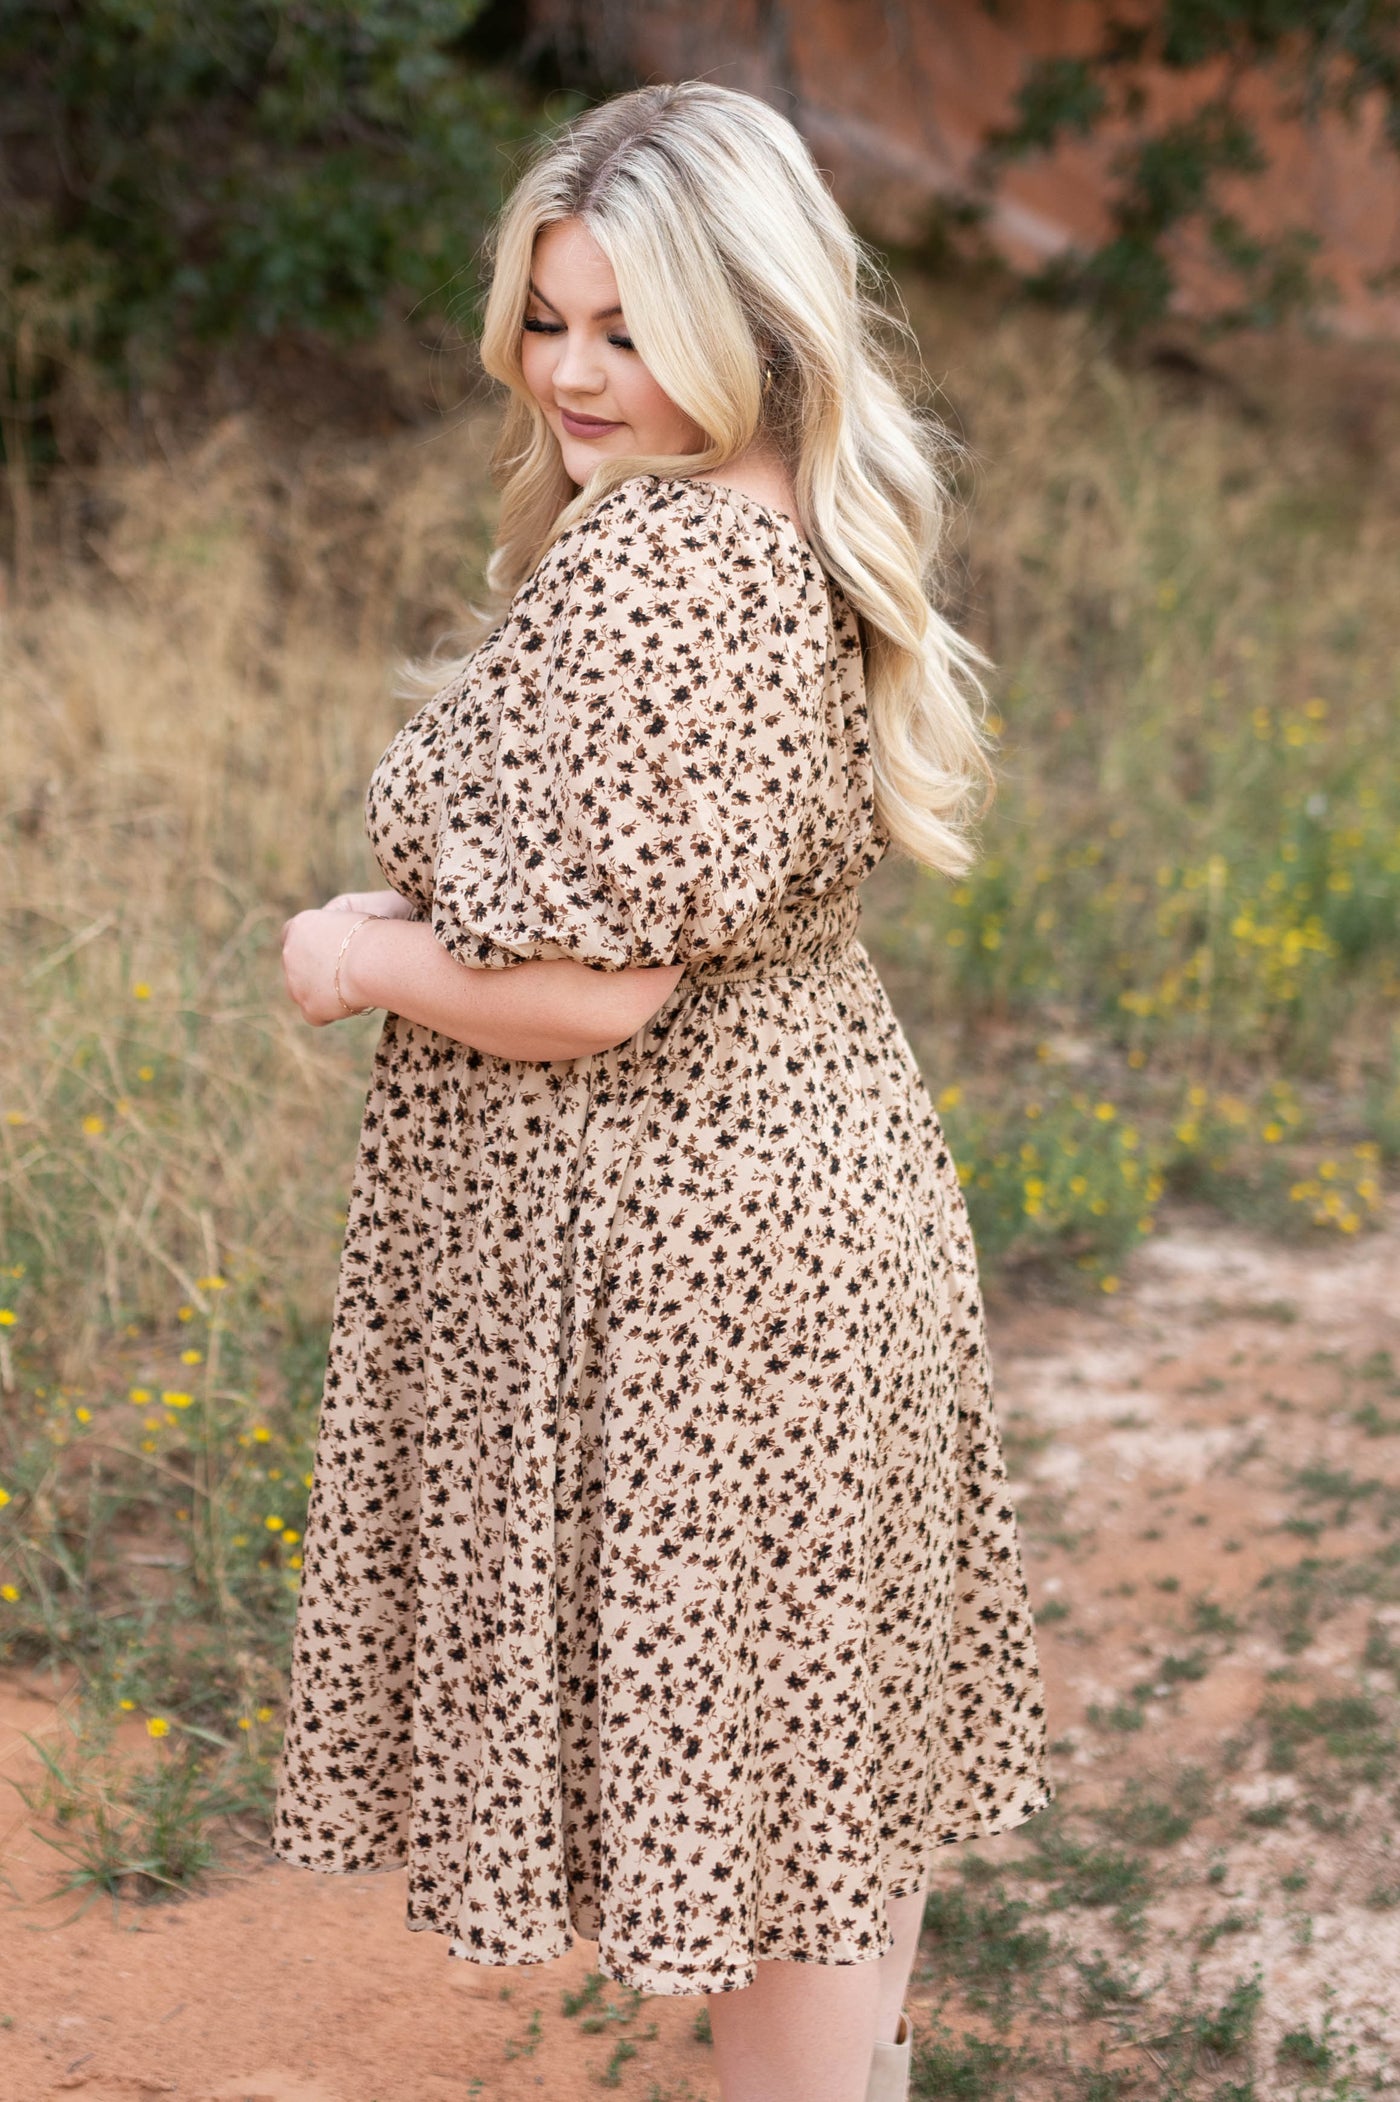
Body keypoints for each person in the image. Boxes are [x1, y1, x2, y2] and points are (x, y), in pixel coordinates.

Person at [273, 80, 1053, 2102]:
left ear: (749, 318)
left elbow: (601, 988)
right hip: (823, 1212)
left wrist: (351, 960)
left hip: (698, 1283)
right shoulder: (785, 513)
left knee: (785, 1867)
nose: (572, 372)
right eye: (549, 318)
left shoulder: (666, 562)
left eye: (626, 327)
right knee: (821, 1810)